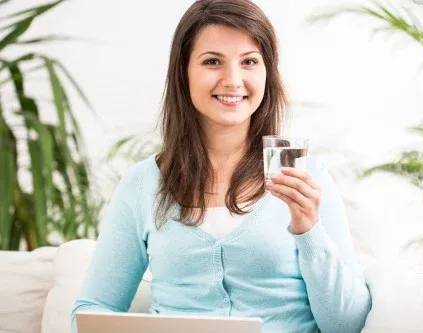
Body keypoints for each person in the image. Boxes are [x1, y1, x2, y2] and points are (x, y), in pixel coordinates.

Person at [70, 0, 372, 332]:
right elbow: (92, 309)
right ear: (183, 71)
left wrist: (309, 231)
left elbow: (347, 325)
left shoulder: (306, 176)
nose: (232, 80)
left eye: (249, 62)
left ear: (267, 72)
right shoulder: (143, 184)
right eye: (213, 61)